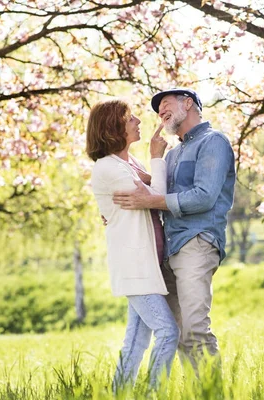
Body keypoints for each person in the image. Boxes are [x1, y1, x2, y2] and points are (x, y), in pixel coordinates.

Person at [112, 88, 236, 371]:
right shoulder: (173, 153)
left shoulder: (213, 141)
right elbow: (156, 192)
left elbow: (204, 196)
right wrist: (117, 209)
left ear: (188, 103)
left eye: (166, 104)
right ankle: (199, 390)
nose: (161, 112)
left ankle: (213, 394)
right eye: (158, 109)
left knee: (194, 329)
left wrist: (151, 198)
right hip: (169, 251)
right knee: (177, 332)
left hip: (197, 243)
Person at [85, 99, 179, 391]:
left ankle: (120, 393)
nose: (138, 120)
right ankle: (153, 394)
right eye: (130, 119)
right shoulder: (109, 168)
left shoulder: (128, 164)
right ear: (114, 128)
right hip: (136, 267)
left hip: (146, 265)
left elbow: (155, 191)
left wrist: (151, 174)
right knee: (167, 332)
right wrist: (157, 158)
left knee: (137, 341)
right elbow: (159, 197)